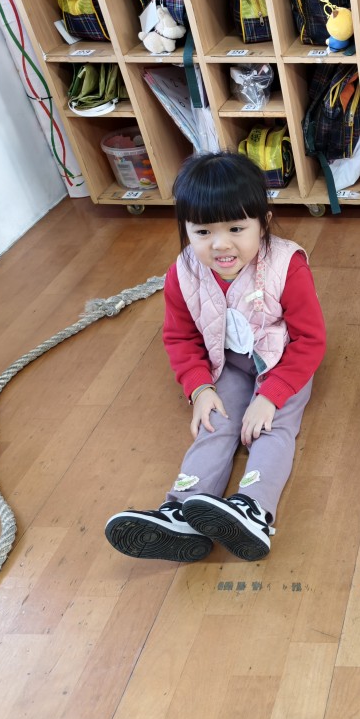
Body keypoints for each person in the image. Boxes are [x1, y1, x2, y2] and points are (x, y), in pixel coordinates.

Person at [105, 152, 326, 562]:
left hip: (284, 362)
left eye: (236, 228)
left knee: (271, 427)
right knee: (215, 423)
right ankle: (180, 510)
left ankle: (253, 509)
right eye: (203, 231)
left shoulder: (287, 265)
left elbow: (310, 340)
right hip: (227, 363)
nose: (221, 244)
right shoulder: (183, 273)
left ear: (264, 223)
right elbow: (181, 338)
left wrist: (271, 395)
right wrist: (200, 388)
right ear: (185, 229)